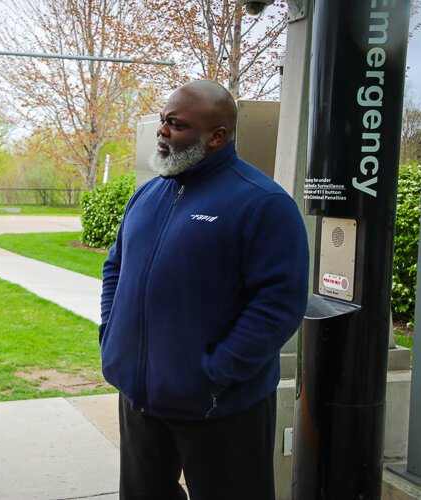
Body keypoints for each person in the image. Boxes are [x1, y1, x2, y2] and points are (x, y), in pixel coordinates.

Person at [99, 80, 309, 500]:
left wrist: (214, 375)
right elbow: (115, 268)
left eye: (176, 125)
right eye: (163, 120)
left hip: (220, 406)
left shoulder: (262, 203)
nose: (162, 131)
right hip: (141, 399)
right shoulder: (146, 195)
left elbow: (278, 305)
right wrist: (111, 340)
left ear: (217, 136)